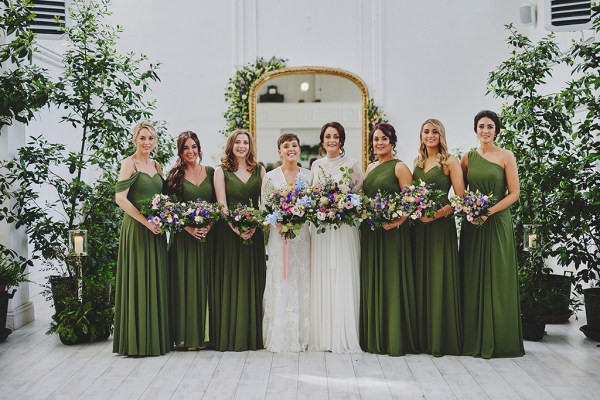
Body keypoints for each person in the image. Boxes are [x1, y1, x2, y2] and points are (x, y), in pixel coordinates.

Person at [460, 110, 524, 358]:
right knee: (472, 274)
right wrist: (469, 209)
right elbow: (460, 190)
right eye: (481, 126)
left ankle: (500, 338)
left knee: (498, 276)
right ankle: (472, 336)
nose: (485, 131)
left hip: (497, 222)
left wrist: (488, 212)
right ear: (475, 129)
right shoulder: (467, 157)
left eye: (490, 126)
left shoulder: (506, 156)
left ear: (496, 130)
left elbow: (514, 193)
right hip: (472, 224)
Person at [360, 123, 418, 355]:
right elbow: (364, 198)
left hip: (393, 233)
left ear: (392, 142)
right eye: (376, 139)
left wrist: (398, 221)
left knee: (392, 279)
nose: (379, 143)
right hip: (372, 232)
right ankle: (374, 336)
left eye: (384, 139)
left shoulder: (400, 167)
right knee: (374, 278)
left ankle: (394, 337)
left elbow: (410, 201)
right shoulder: (370, 167)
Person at [113, 121, 170, 356]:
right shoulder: (129, 163)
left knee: (155, 278)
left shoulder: (156, 164)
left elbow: (161, 197)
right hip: (137, 229)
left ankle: (155, 338)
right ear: (135, 139)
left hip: (156, 231)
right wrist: (146, 222)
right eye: (143, 138)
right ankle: (136, 341)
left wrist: (163, 218)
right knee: (138, 278)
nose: (147, 142)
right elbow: (120, 199)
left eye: (151, 138)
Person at [310, 121, 364, 353]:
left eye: (336, 136)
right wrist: (321, 207)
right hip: (323, 230)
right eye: (327, 136)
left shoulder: (352, 164)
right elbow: (312, 194)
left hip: (344, 229)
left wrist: (344, 208)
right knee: (323, 275)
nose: (331, 140)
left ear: (341, 140)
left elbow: (359, 196)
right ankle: (323, 335)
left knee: (343, 274)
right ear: (323, 141)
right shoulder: (316, 165)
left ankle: (343, 333)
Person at [412, 119, 464, 356]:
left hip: (440, 226)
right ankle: (422, 336)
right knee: (421, 276)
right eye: (426, 131)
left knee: (438, 275)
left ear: (441, 135)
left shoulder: (450, 161)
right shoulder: (417, 162)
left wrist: (440, 213)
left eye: (435, 131)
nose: (430, 135)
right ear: (421, 136)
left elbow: (461, 198)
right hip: (419, 227)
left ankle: (440, 339)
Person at [213, 129, 267, 351]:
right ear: (231, 145)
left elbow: (265, 202)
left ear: (250, 145)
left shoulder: (260, 170)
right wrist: (235, 227)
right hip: (229, 234)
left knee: (253, 281)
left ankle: (253, 336)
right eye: (237, 142)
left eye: (245, 142)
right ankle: (231, 335)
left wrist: (256, 224)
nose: (241, 146)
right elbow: (222, 204)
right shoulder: (221, 171)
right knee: (232, 282)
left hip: (254, 234)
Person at [261, 133, 312, 352]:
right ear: (279, 151)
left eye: (294, 145)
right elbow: (265, 208)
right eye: (285, 145)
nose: (290, 148)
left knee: (301, 278)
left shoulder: (309, 177)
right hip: (279, 236)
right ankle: (281, 335)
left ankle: (303, 334)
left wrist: (299, 220)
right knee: (281, 279)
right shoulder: (271, 178)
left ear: (299, 149)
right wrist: (280, 224)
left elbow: (313, 206)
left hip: (301, 238)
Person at [165, 131, 215, 350]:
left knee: (206, 285)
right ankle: (186, 337)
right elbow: (167, 209)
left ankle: (205, 335)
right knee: (185, 284)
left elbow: (217, 204)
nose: (191, 151)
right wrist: (188, 227)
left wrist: (208, 225)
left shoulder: (212, 173)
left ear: (199, 148)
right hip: (183, 240)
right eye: (186, 148)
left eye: (194, 146)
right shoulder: (174, 176)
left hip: (208, 239)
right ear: (180, 151)